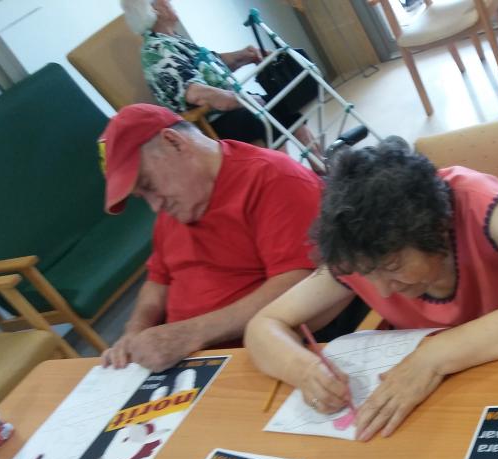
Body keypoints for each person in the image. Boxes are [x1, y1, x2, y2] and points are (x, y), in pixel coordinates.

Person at [245, 138, 498, 441]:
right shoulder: (361, 253)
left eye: (393, 268)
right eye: (368, 274)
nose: (382, 292)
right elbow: (264, 325)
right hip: (472, 387)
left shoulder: (478, 203)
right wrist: (304, 370)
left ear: (436, 228)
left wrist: (433, 356)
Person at [98, 104, 367, 372]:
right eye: (142, 196)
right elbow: (157, 281)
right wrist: (135, 329)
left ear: (174, 142)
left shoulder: (273, 178)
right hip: (181, 364)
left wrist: (191, 334)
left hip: (259, 359)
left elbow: (303, 284)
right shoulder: (175, 207)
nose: (154, 205)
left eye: (149, 185)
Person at [121, 0, 320, 157]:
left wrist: (245, 55)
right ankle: (292, 178)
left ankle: (320, 165)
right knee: (264, 116)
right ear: (154, 10)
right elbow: (197, 93)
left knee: (284, 105)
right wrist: (239, 99)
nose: (170, 1)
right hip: (216, 121)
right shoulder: (157, 52)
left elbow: (213, 65)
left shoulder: (171, 40)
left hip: (233, 108)